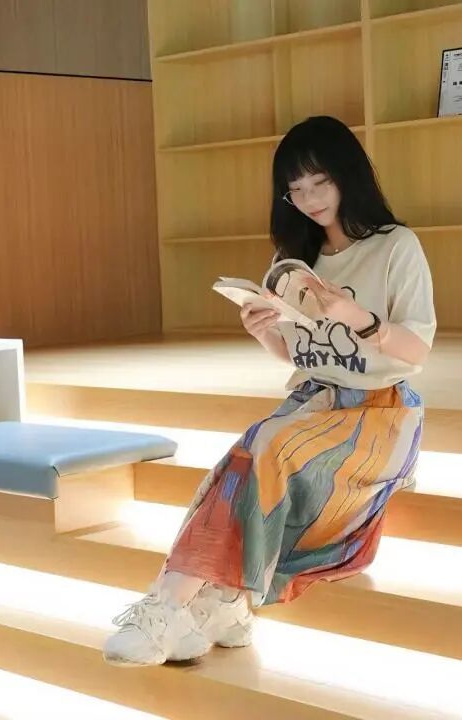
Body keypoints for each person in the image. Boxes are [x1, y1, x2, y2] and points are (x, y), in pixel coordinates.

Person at [103, 115, 436, 667]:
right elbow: (299, 353)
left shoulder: (396, 246)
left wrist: (359, 318)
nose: (309, 200)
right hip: (314, 402)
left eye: (319, 183)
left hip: (379, 413)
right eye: (295, 189)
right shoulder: (294, 257)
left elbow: (417, 350)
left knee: (267, 446)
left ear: (348, 175)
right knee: (244, 456)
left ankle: (176, 604)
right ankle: (207, 602)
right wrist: (263, 332)